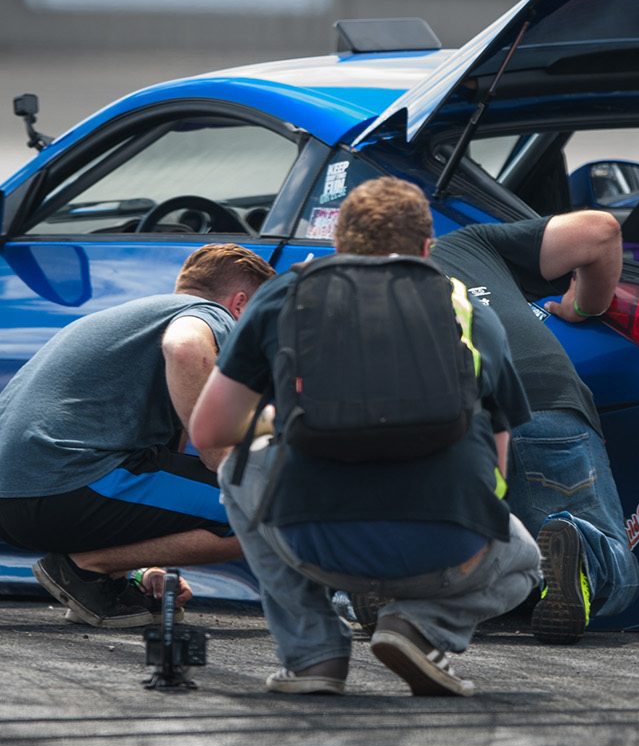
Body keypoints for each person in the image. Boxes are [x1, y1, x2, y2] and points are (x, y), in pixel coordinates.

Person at [189, 178, 543, 697]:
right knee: (527, 563)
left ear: (338, 244)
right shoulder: (469, 311)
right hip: (448, 554)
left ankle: (313, 655)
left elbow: (209, 431)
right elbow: (497, 469)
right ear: (427, 248)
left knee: (237, 467)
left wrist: (279, 420)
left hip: (315, 546)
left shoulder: (285, 296)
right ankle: (421, 625)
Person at [0, 243, 275, 628]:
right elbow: (184, 347)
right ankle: (83, 567)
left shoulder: (132, 324)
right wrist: (222, 457)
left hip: (4, 497)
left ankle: (98, 580)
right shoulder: (207, 315)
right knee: (268, 509)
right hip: (63, 482)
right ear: (240, 305)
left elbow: (159, 482)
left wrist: (143, 569)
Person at [429, 211, 639, 643]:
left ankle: (386, 579)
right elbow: (601, 231)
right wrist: (582, 307)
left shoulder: (343, 290)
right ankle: (581, 555)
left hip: (440, 425)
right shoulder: (465, 243)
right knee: (613, 570)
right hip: (540, 397)